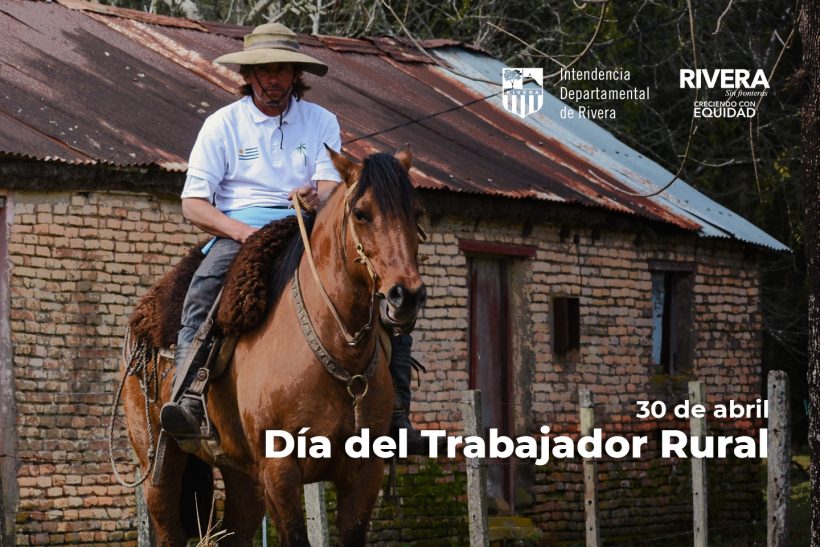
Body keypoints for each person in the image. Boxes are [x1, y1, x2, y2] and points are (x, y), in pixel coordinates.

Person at [160, 23, 429, 455]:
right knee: (204, 288)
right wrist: (241, 231)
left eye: (281, 69)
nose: (273, 78)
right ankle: (188, 396)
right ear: (249, 74)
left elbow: (331, 187)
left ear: (295, 74)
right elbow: (193, 205)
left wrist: (315, 197)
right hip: (241, 229)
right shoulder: (222, 124)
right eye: (264, 70)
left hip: (307, 227)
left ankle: (397, 413)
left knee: (387, 294)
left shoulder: (320, 121)